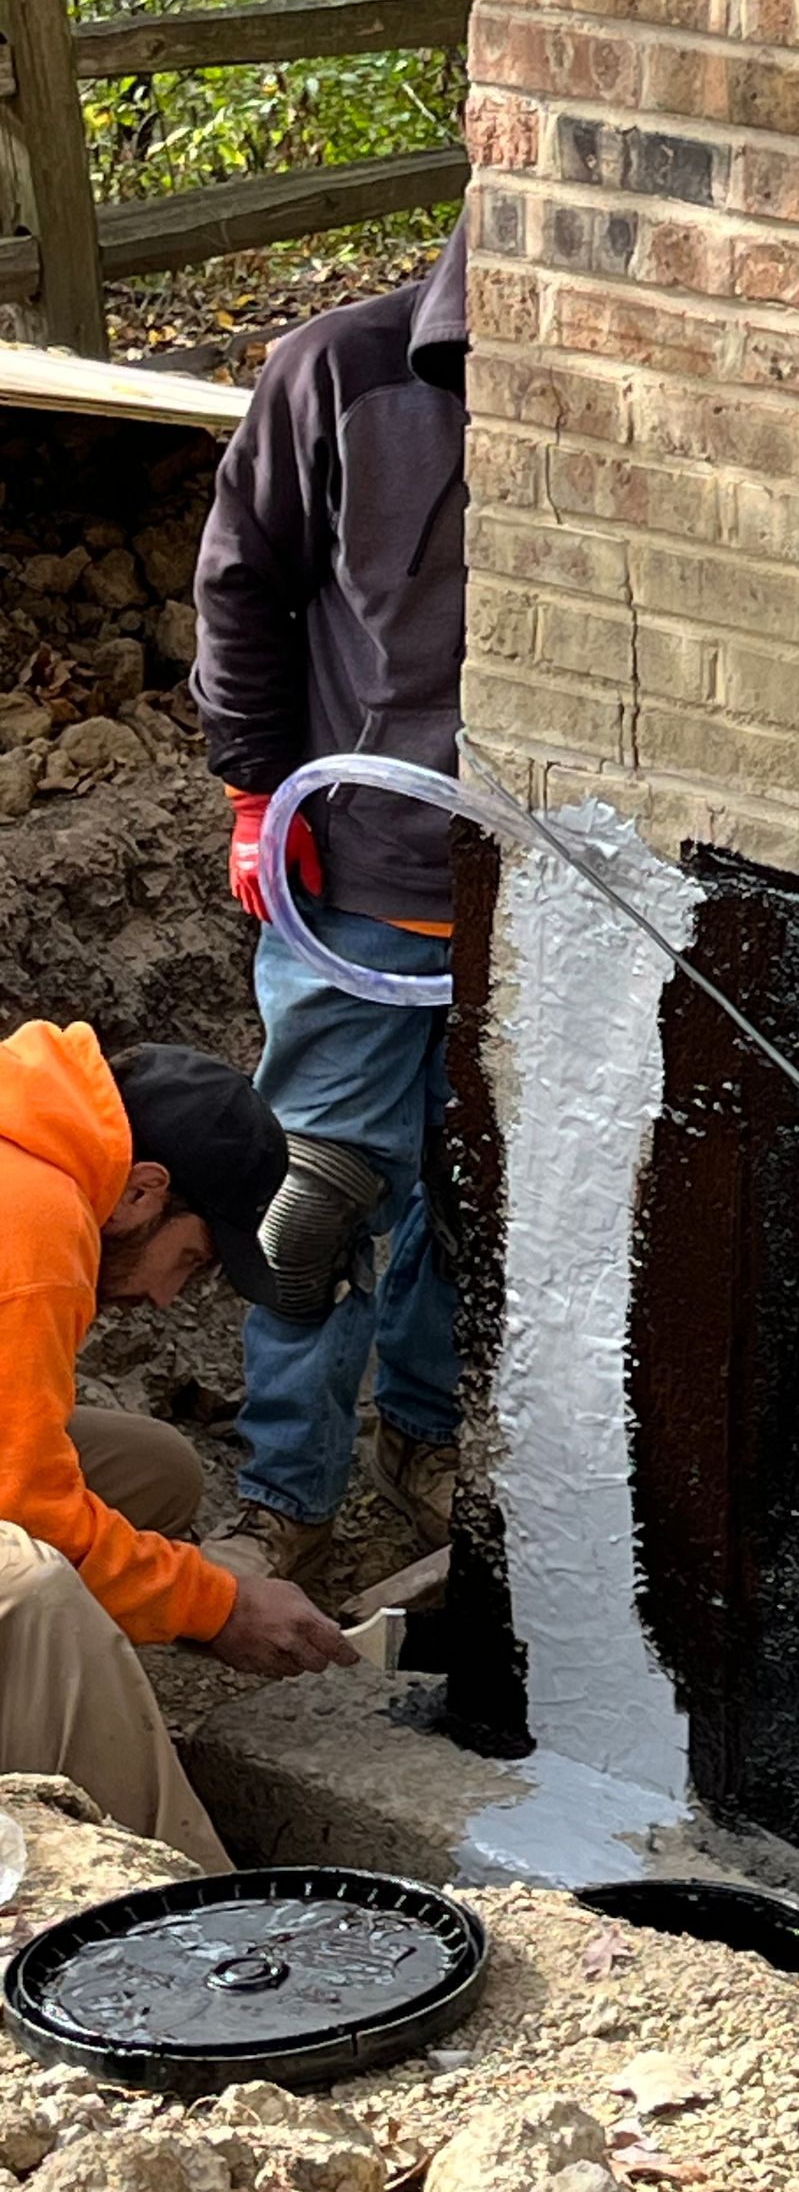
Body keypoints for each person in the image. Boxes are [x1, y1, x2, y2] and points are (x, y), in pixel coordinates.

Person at [191, 217, 469, 1589]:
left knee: (472, 1199)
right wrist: (256, 790)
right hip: (355, 875)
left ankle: (428, 1439)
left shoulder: (627, 385)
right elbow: (242, 585)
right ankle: (282, 1498)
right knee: (320, 1204)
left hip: (544, 891)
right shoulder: (340, 373)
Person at [0, 1018, 357, 1868]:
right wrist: (218, 1605)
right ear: (143, 1193)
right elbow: (23, 1509)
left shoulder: (31, 1141)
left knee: (151, 1469)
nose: (167, 1298)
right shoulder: (36, 1222)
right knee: (36, 1587)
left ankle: (45, 1718)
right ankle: (179, 1904)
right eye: (191, 1261)